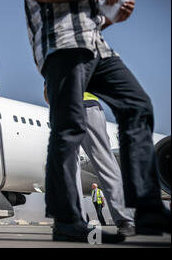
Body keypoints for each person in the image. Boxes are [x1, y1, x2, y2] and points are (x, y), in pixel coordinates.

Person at [21, 0, 170, 242]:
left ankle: (145, 209)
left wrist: (114, 17)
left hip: (98, 50)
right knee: (69, 137)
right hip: (64, 46)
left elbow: (91, 23)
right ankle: (69, 221)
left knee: (138, 105)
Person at [44, 86, 136, 236]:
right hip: (72, 111)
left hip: (81, 108)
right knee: (77, 167)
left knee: (97, 163)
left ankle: (123, 219)